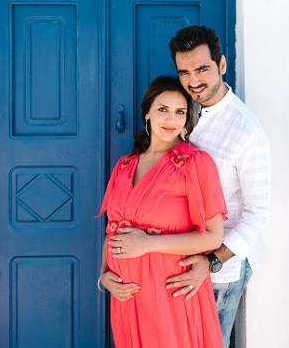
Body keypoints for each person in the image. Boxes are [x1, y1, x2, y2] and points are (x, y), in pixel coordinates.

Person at [97, 76, 228, 348]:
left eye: (180, 112)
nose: (171, 119)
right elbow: (113, 230)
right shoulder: (124, 166)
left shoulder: (196, 164)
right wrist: (104, 276)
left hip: (170, 294)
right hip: (128, 299)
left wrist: (148, 244)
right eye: (163, 109)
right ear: (147, 113)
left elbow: (213, 237)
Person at [165, 26, 271, 348]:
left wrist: (212, 261)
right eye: (184, 72)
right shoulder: (183, 110)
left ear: (222, 65)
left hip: (222, 268)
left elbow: (257, 214)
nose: (193, 81)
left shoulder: (247, 131)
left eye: (202, 69)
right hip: (181, 257)